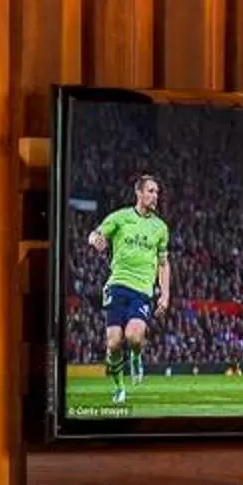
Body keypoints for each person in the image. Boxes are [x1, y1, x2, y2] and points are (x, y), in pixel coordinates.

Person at [85, 174, 171, 406]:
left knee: (133, 336)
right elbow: (96, 234)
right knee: (113, 343)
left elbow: (163, 264)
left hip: (142, 290)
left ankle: (135, 355)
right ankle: (119, 388)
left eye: (157, 192)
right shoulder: (121, 217)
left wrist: (165, 294)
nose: (155, 196)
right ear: (139, 193)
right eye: (151, 191)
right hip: (118, 285)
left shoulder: (160, 228)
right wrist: (94, 240)